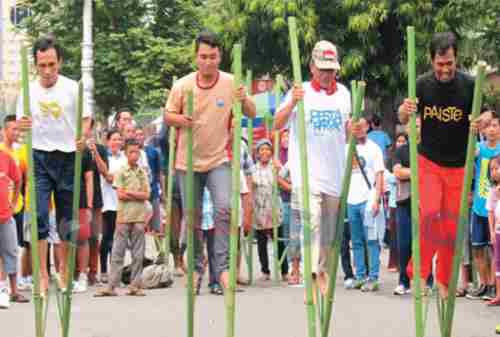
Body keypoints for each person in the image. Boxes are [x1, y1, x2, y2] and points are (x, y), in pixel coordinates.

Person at [399, 31, 492, 299]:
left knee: (451, 228)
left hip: (459, 166)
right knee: (429, 215)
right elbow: (403, 114)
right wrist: (406, 110)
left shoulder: (470, 84)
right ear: (431, 61)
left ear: (456, 58)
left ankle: (443, 280)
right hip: (428, 162)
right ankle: (418, 273)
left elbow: (485, 113)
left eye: (449, 63)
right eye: (440, 64)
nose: (445, 69)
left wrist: (482, 120)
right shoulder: (422, 84)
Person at [164, 31, 256, 292]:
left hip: (219, 159)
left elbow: (251, 112)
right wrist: (181, 120)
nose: (208, 62)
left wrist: (243, 97)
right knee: (192, 218)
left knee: (225, 209)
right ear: (196, 58)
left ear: (220, 57)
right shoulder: (182, 85)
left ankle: (224, 268)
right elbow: (168, 115)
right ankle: (195, 268)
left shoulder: (230, 82)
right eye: (203, 57)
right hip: (188, 162)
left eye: (213, 57)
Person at [274, 40, 360, 295]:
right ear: (312, 67)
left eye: (331, 69)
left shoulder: (344, 94)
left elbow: (345, 133)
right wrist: (292, 103)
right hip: (306, 172)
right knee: (311, 221)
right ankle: (310, 272)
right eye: (322, 68)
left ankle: (321, 269)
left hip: (334, 172)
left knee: (330, 232)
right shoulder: (299, 92)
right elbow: (277, 124)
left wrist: (352, 131)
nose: (326, 74)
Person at [16, 36, 91, 294]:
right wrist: (22, 126)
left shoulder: (73, 88)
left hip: (69, 157)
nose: (47, 71)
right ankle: (42, 275)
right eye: (42, 65)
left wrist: (83, 136)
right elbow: (21, 123)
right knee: (37, 216)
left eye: (51, 64)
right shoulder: (28, 90)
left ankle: (64, 271)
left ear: (59, 61)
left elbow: (85, 120)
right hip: (39, 157)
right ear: (35, 64)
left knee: (66, 220)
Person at [95, 139, 150, 297]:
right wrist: (137, 194)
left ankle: (135, 285)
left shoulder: (142, 172)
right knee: (117, 252)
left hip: (139, 217)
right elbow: (120, 194)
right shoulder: (120, 171)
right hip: (123, 217)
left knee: (138, 254)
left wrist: (130, 193)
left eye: (137, 151)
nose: (135, 155)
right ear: (125, 154)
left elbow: (147, 194)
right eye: (131, 152)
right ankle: (111, 286)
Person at [347, 118, 385, 292]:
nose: (359, 129)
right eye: (356, 127)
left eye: (362, 126)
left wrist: (376, 199)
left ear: (367, 127)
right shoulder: (347, 149)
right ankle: (360, 275)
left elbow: (379, 175)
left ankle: (373, 277)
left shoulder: (374, 148)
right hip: (351, 201)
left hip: (368, 200)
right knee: (356, 241)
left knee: (371, 240)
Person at [467, 112, 500, 300]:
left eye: (495, 125)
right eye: (489, 126)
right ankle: (485, 285)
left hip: (497, 210)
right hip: (479, 206)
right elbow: (468, 154)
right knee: (478, 249)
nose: (492, 129)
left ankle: (497, 287)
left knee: (496, 250)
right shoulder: (479, 148)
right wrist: (473, 128)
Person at [0, 115, 31, 291]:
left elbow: (20, 179)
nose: (16, 132)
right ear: (3, 131)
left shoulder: (7, 157)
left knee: (12, 249)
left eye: (17, 129)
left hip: (9, 212)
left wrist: (13, 202)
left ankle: (14, 290)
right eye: (13, 128)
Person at [252, 139, 287, 281]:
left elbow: (286, 176)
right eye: (262, 149)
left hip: (274, 208)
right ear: (258, 153)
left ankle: (284, 271)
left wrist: (280, 168)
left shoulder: (275, 167)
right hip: (259, 208)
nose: (265, 152)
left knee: (278, 240)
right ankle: (265, 270)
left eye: (267, 149)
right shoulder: (253, 168)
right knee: (261, 242)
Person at [99, 129, 122, 283]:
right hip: (106, 202)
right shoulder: (103, 157)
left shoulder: (124, 158)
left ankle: (116, 271)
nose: (117, 142)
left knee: (118, 240)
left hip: (121, 203)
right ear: (108, 141)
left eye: (119, 139)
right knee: (106, 238)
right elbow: (108, 177)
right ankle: (104, 271)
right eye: (114, 139)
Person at [486, 155, 500, 306]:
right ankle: (498, 294)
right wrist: (491, 231)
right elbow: (490, 211)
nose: (494, 172)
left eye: (497, 168)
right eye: (491, 169)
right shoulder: (492, 190)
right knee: (498, 262)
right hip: (497, 231)